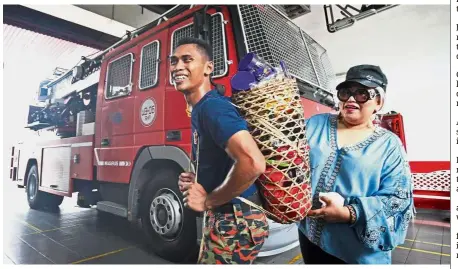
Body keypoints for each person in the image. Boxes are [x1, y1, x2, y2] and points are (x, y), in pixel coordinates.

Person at [298, 64, 414, 264]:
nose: (351, 99)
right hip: (310, 234)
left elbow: (398, 198)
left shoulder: (388, 144)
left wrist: (348, 213)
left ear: (379, 101)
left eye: (362, 93)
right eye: (345, 92)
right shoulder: (316, 124)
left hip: (356, 250)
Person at [170, 37, 269, 264]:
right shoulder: (201, 108)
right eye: (173, 61)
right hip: (231, 219)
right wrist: (201, 178)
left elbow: (253, 162)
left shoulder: (212, 107)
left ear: (208, 68)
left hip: (235, 220)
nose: (177, 67)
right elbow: (226, 160)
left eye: (187, 60)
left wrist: (208, 201)